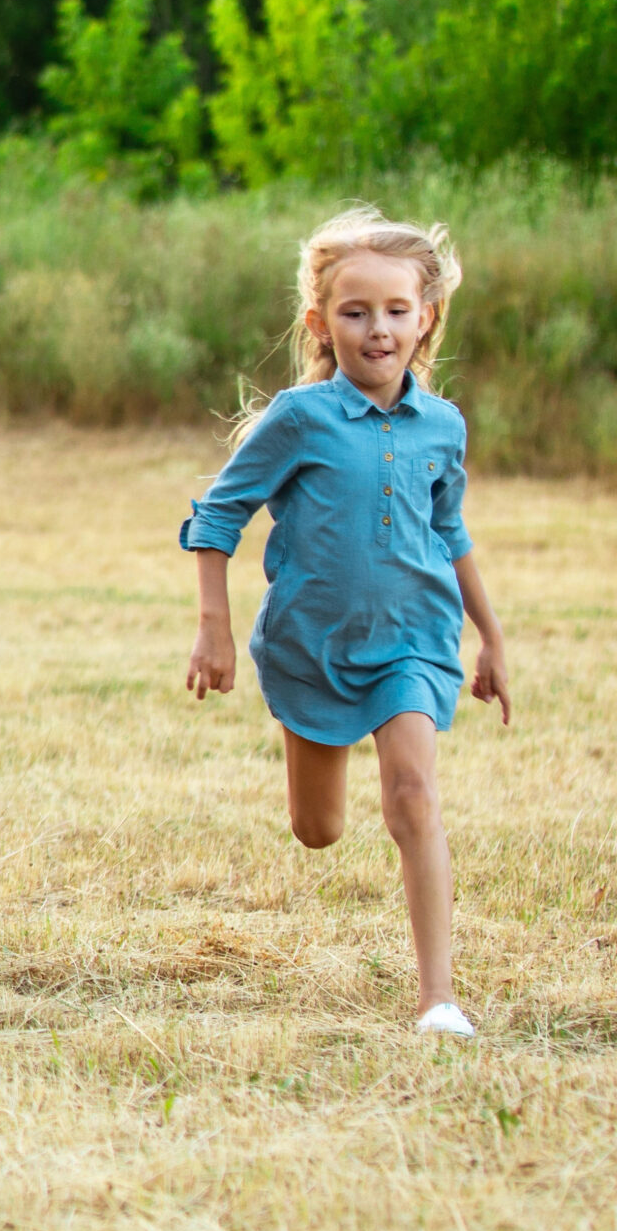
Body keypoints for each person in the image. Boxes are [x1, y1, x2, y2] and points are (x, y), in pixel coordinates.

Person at [181, 205, 512, 1038]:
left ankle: (437, 998)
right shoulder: (300, 417)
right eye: (356, 311)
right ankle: (320, 788)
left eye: (397, 310)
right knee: (318, 829)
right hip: (313, 646)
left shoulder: (444, 425)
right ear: (320, 321)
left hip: (416, 640)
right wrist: (214, 628)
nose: (378, 329)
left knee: (412, 794)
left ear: (427, 316)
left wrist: (492, 635)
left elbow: (452, 532)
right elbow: (218, 517)